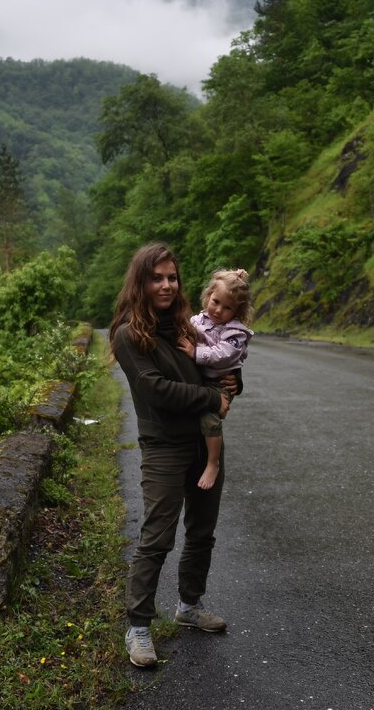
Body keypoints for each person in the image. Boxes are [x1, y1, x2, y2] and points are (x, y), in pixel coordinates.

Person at [110, 242, 237, 669]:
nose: (166, 285)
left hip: (203, 444)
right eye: (157, 277)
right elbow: (155, 391)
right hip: (164, 446)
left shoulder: (186, 325)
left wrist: (231, 388)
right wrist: (210, 397)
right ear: (141, 281)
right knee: (157, 537)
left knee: (202, 531)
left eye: (172, 277)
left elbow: (219, 371)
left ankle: (189, 605)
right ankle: (138, 626)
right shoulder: (130, 334)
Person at [179, 268, 253, 491]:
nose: (219, 310)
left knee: (209, 419)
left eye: (227, 307)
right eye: (216, 301)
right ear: (208, 295)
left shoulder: (236, 333)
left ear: (237, 311)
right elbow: (185, 330)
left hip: (219, 382)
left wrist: (194, 353)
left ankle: (213, 462)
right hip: (202, 378)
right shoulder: (198, 319)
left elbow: (221, 356)